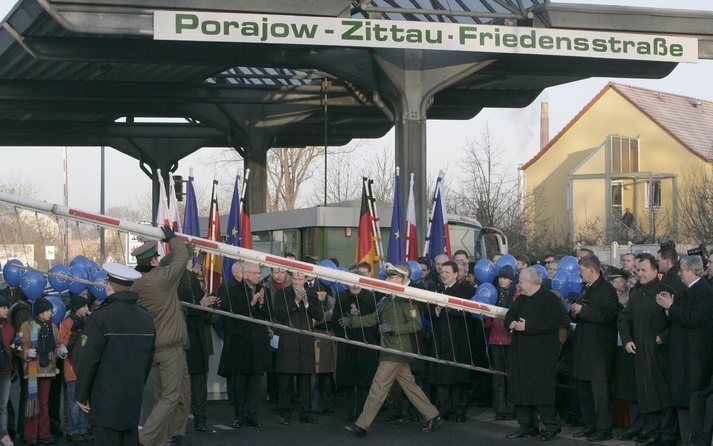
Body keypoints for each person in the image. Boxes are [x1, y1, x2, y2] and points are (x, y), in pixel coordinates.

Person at [342, 263, 442, 438]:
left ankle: (362, 425)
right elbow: (373, 318)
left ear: (402, 280)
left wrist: (393, 328)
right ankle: (433, 415)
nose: (388, 280)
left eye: (392, 277)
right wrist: (352, 321)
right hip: (390, 348)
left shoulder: (406, 299)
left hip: (396, 350)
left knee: (378, 388)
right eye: (387, 277)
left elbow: (416, 324)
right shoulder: (387, 299)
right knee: (410, 386)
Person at [75, 262, 155, 446]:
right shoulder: (145, 317)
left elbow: (86, 359)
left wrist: (82, 393)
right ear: (131, 287)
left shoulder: (100, 317)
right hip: (132, 398)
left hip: (105, 400)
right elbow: (148, 361)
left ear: (109, 287)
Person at [131, 226, 191, 446]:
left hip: (156, 347)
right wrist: (174, 240)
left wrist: (181, 247)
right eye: (157, 256)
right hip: (170, 347)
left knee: (165, 395)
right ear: (153, 260)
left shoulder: (139, 281)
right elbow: (180, 259)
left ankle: (165, 439)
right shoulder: (160, 279)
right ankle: (145, 439)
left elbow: (168, 266)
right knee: (171, 396)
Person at [618, 254, 678, 446]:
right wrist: (627, 340)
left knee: (662, 393)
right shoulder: (637, 293)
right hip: (640, 351)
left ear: (655, 270)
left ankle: (666, 432)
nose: (639, 273)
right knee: (645, 392)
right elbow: (624, 318)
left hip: (660, 353)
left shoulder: (667, 291)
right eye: (638, 270)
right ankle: (651, 430)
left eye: (643, 270)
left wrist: (664, 336)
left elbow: (678, 320)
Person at [655, 255, 713, 443]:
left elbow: (693, 318)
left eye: (683, 270)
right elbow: (678, 316)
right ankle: (683, 437)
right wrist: (668, 307)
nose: (679, 274)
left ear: (693, 271)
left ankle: (693, 439)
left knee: (693, 399)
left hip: (695, 356)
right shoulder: (684, 289)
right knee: (681, 397)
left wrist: (671, 307)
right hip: (682, 354)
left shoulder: (705, 291)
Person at [505, 267, 563, 442]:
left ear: (531, 282)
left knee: (542, 391)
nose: (519, 284)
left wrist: (527, 326)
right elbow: (509, 316)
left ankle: (551, 426)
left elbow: (552, 323)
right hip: (520, 352)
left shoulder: (551, 299)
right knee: (521, 390)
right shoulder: (521, 299)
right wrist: (513, 323)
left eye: (521, 281)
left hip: (541, 354)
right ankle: (526, 426)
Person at [569, 255, 619, 442]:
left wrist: (584, 311)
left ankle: (603, 428)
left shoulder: (606, 290)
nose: (579, 274)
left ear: (591, 270)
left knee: (600, 393)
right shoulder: (585, 288)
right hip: (583, 346)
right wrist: (575, 311)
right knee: (584, 390)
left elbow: (608, 316)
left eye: (581, 270)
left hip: (599, 350)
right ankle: (589, 424)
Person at [217, 262, 271, 428]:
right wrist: (252, 302)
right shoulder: (231, 289)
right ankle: (239, 416)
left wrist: (261, 303)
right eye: (255, 273)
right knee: (240, 384)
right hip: (240, 344)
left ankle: (252, 416)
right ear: (246, 274)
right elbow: (232, 314)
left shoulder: (264, 290)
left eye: (259, 273)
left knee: (255, 384)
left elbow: (270, 314)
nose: (258, 276)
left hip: (258, 344)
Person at [273, 272, 324, 425]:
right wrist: (295, 301)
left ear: (305, 280)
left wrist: (307, 304)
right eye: (294, 278)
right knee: (286, 381)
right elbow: (280, 314)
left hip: (306, 341)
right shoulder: (282, 293)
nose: (297, 281)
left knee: (305, 382)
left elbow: (320, 315)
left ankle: (305, 414)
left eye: (300, 279)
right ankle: (285, 413)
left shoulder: (312, 294)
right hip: (289, 341)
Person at [428, 261, 472, 422]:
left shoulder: (465, 289)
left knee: (459, 377)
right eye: (442, 272)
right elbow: (429, 312)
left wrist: (447, 307)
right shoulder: (436, 290)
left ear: (456, 274)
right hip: (440, 340)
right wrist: (437, 310)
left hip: (458, 340)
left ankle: (460, 411)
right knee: (442, 378)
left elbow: (467, 312)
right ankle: (444, 410)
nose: (444, 275)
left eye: (447, 272)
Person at [332, 270, 379, 421]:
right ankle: (350, 412)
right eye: (351, 282)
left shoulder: (371, 297)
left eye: (357, 282)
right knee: (349, 381)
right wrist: (349, 316)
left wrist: (358, 316)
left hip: (366, 345)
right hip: (348, 345)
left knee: (365, 382)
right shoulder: (342, 296)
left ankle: (363, 413)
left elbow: (375, 320)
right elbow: (335, 320)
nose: (354, 285)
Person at [17, 297, 64, 446]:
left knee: (44, 403)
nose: (51, 313)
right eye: (48, 310)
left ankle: (44, 434)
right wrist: (25, 352)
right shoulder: (26, 326)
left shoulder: (53, 327)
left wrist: (61, 350)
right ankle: (30, 435)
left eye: (51, 310)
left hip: (47, 370)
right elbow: (17, 344)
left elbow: (58, 343)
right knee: (32, 402)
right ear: (40, 312)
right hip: (31, 370)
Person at [177, 258, 216, 433]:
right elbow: (180, 311)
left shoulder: (194, 283)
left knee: (200, 386)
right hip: (184, 342)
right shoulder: (175, 286)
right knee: (182, 387)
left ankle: (200, 419)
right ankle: (179, 424)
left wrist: (211, 307)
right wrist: (200, 306)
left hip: (199, 342)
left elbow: (209, 316)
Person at [484, 265, 518, 421]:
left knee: (511, 376)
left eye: (505, 277)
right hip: (496, 339)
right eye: (500, 277)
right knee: (498, 376)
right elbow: (487, 321)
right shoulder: (493, 293)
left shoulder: (517, 295)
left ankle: (511, 409)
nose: (502, 280)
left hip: (511, 340)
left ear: (511, 279)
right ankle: (500, 409)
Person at [58, 296, 90, 442]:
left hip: (85, 367)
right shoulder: (67, 322)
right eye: (84, 307)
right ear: (77, 307)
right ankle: (72, 430)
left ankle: (83, 429)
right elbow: (62, 342)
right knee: (73, 401)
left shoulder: (87, 321)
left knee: (84, 399)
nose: (87, 310)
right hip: (72, 367)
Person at [0, 297, 14, 446]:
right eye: (3, 307)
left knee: (3, 405)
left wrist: (19, 348)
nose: (6, 310)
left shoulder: (9, 328)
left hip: (6, 370)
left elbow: (14, 348)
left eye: (7, 307)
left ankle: (3, 434)